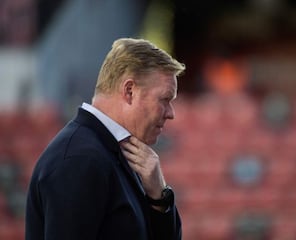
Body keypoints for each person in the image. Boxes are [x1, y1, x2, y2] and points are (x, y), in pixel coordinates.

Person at [25, 38, 185, 240]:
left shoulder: (115, 151)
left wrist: (159, 197)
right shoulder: (80, 160)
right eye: (164, 99)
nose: (171, 113)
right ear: (129, 91)